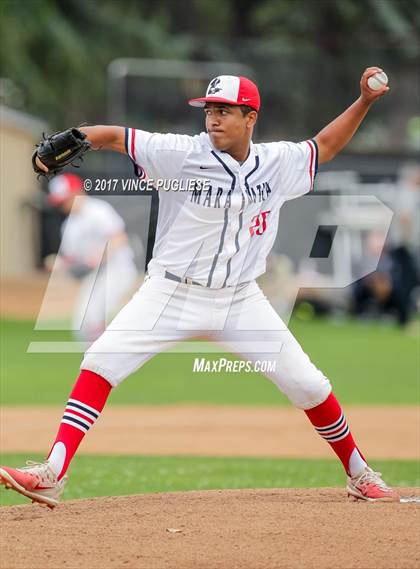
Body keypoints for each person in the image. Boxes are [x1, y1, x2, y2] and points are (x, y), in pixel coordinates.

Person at [0, 68, 400, 508]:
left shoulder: (277, 162)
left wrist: (363, 101)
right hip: (169, 292)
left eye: (225, 111)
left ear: (250, 118)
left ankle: (359, 473)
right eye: (209, 110)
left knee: (308, 385)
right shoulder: (179, 152)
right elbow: (114, 135)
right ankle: (53, 471)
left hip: (240, 299)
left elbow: (323, 146)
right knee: (100, 361)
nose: (213, 118)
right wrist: (76, 136)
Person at [45, 173, 138, 343]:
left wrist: (98, 257)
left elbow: (119, 238)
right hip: (95, 276)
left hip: (117, 269)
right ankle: (96, 363)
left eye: (65, 199)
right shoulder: (68, 226)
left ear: (77, 192)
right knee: (81, 325)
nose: (63, 205)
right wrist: (60, 264)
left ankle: (107, 361)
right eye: (60, 202)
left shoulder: (98, 210)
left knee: (96, 317)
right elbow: (73, 260)